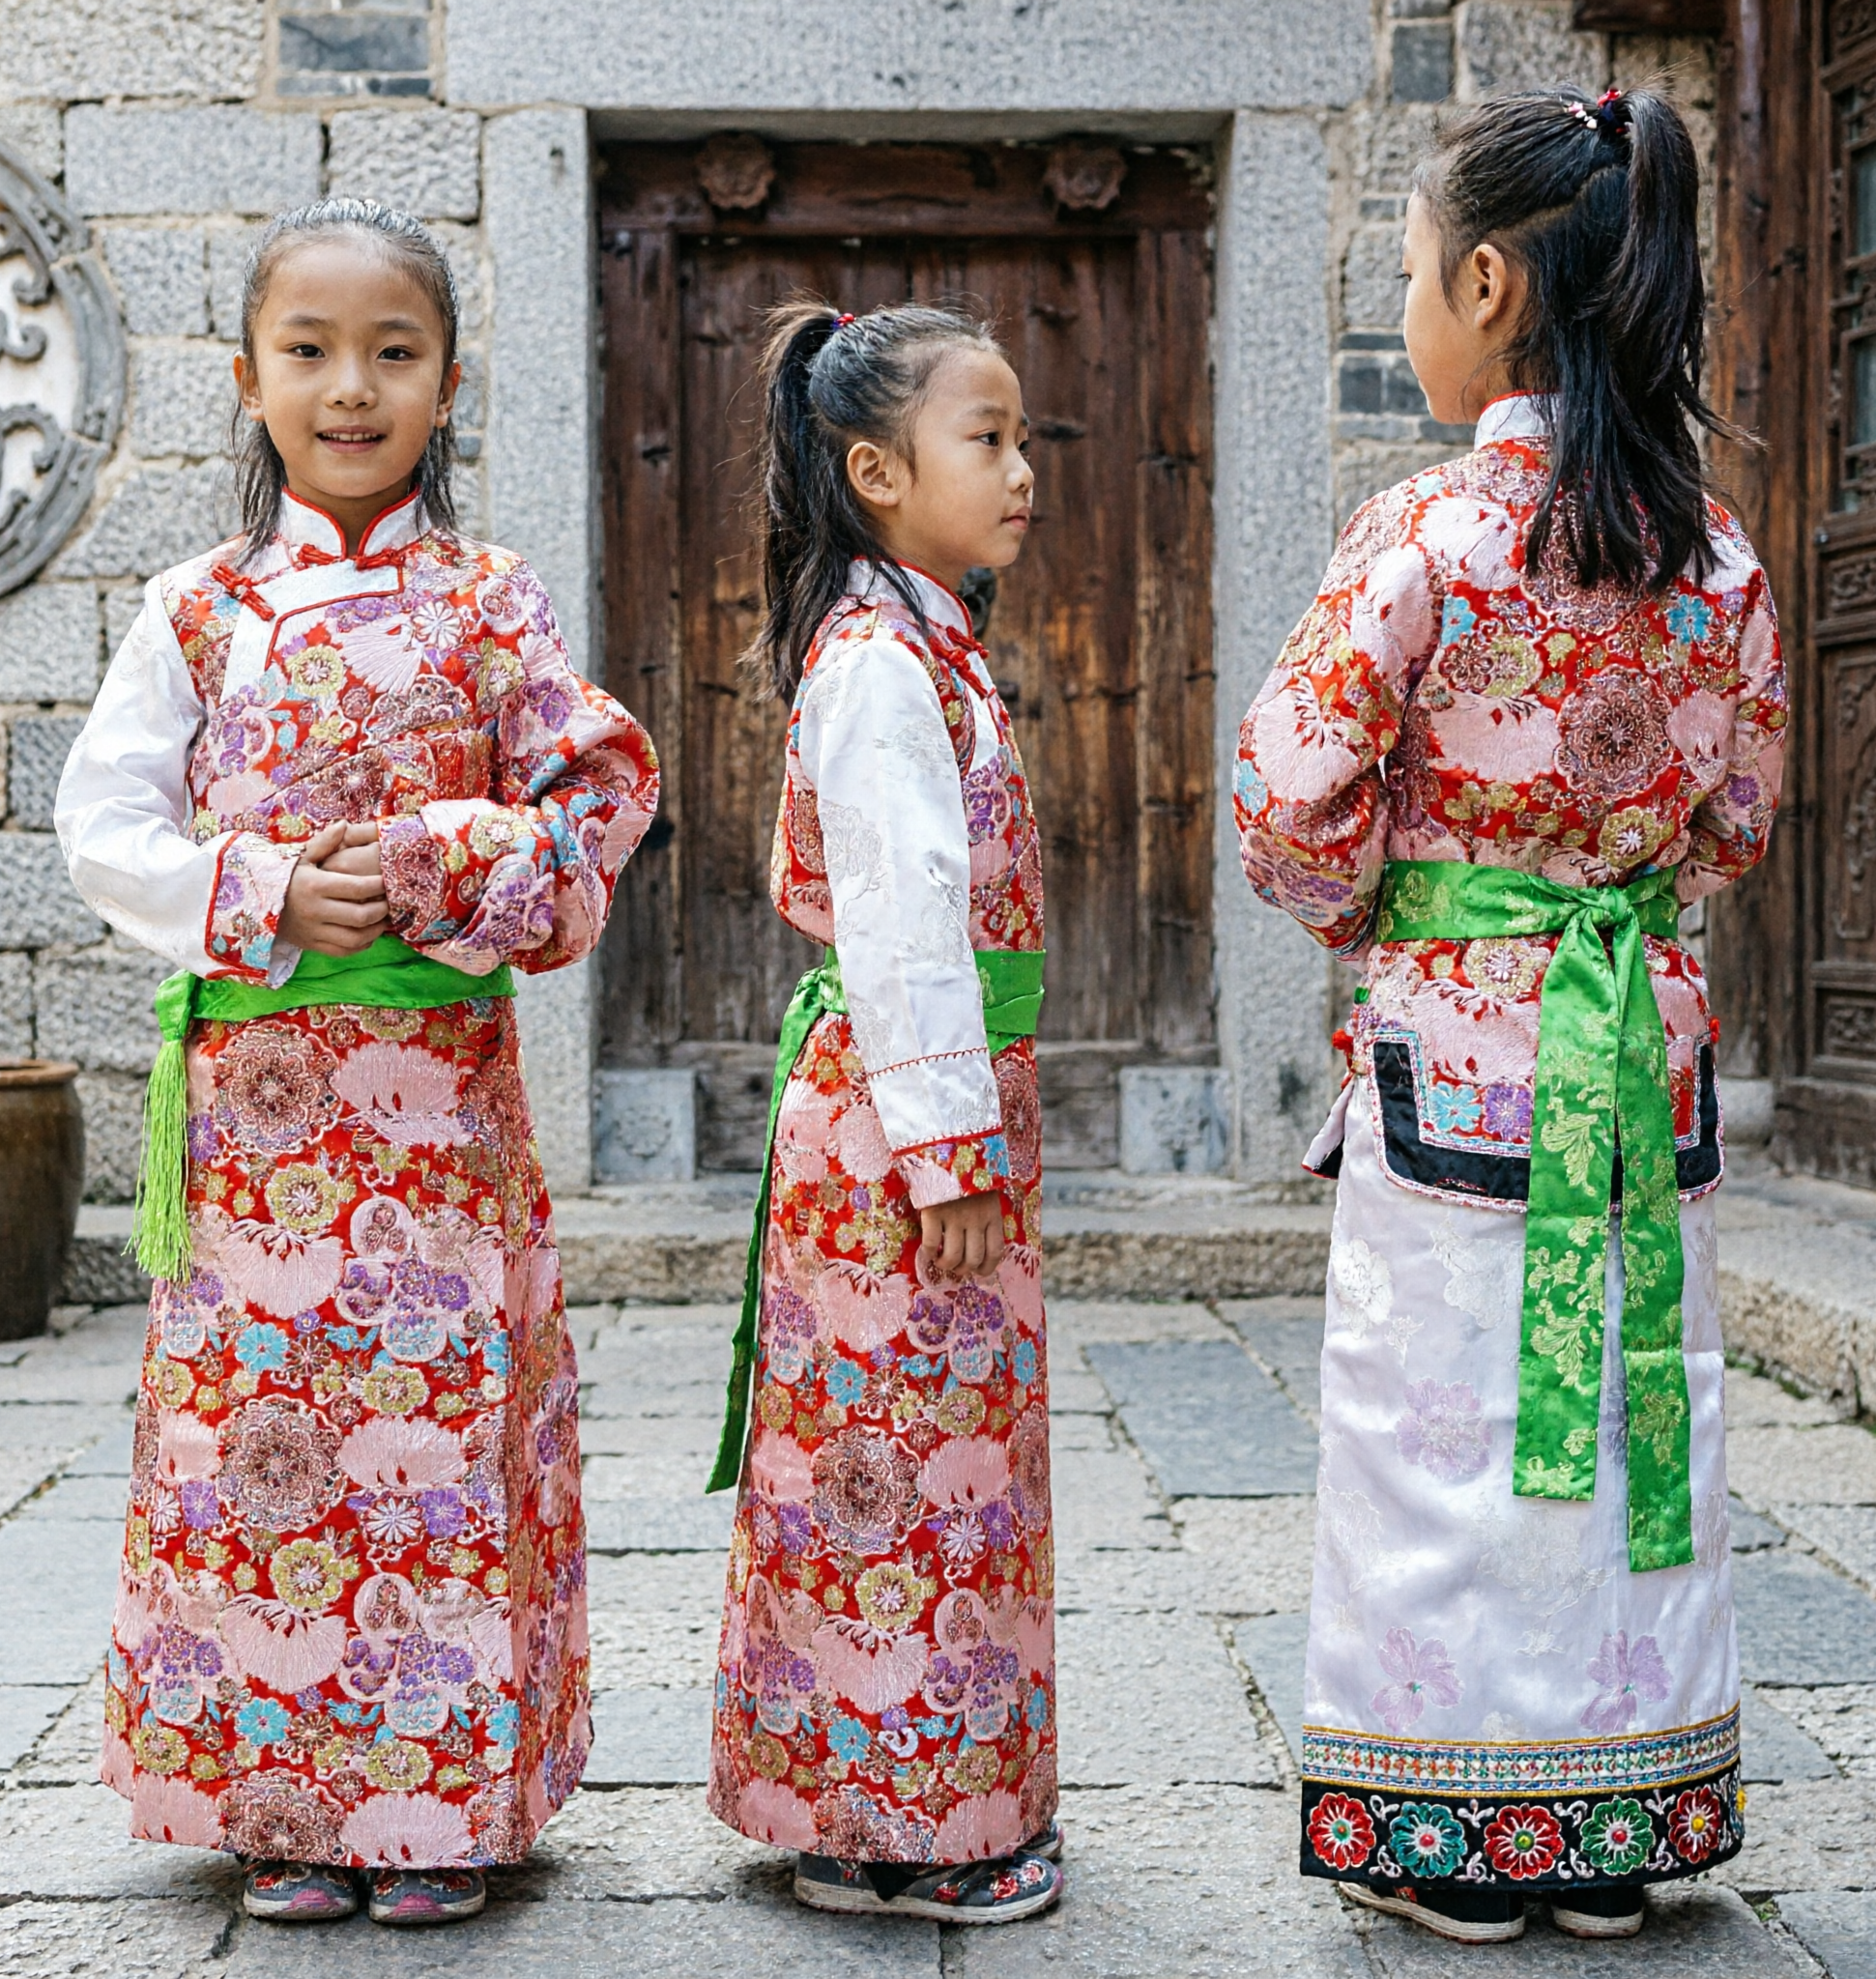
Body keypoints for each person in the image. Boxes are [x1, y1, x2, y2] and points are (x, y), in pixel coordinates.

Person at [53, 198, 658, 1928]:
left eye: (392, 354)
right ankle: (284, 1803)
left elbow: (601, 795)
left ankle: (442, 1809)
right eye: (309, 353)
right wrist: (250, 889)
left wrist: (476, 862)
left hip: (437, 1123)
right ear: (247, 380)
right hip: (259, 1135)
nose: (349, 387)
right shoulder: (198, 613)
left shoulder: (492, 605)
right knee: (266, 1450)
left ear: (448, 385)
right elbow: (104, 827)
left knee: (434, 1442)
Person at [1235, 88, 1786, 1946]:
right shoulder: (1719, 559)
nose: (1407, 303)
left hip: (1461, 1056)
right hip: (1644, 1051)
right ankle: (1627, 1822)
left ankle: (1455, 1832)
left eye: (1406, 270)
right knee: (1650, 1417)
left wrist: (1397, 908)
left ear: (1484, 284)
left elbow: (1286, 803)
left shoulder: (1429, 534)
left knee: (1442, 1426)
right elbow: (1742, 817)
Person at [703, 300, 1063, 1925]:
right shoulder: (875, 664)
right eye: (985, 438)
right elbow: (906, 915)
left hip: (924, 1111)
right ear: (875, 469)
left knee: (922, 1454)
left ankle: (893, 1802)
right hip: (902, 1131)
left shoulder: (927, 643)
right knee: (902, 1464)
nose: (1022, 468)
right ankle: (894, 1823)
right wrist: (947, 1143)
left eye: (1020, 435)